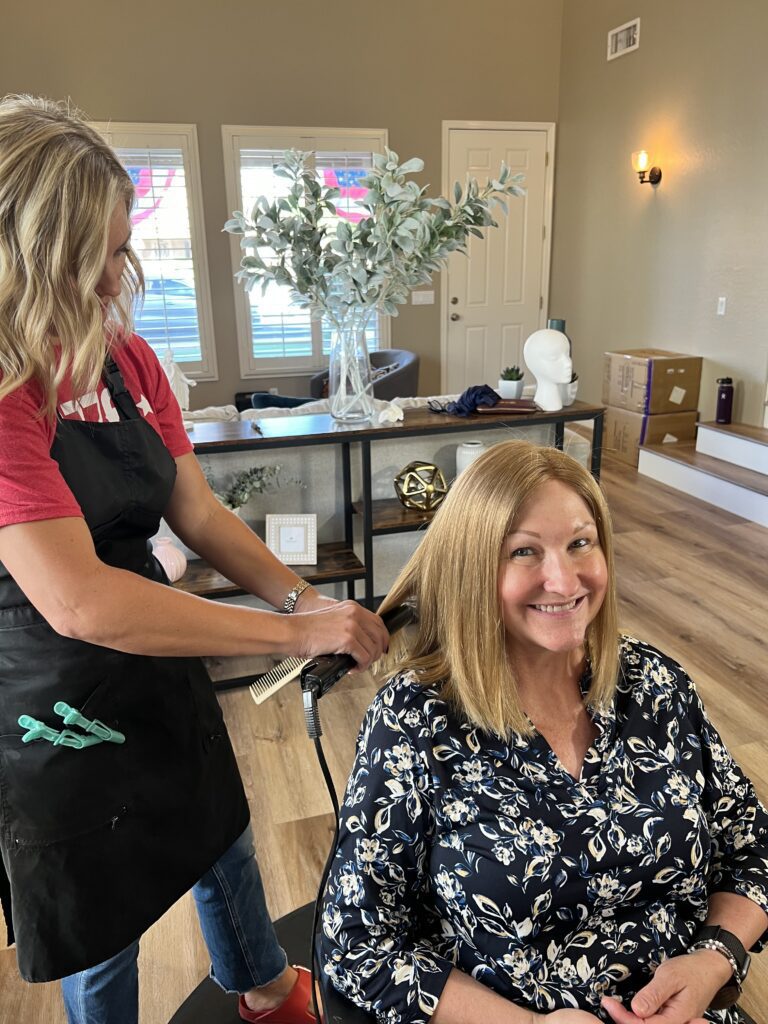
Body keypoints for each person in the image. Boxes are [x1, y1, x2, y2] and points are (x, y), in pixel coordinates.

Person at [0, 95, 389, 1024]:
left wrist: (305, 602)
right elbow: (81, 604)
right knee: (108, 911)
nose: (117, 272)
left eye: (124, 243)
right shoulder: (8, 388)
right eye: (99, 249)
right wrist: (286, 627)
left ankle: (260, 985)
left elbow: (198, 512)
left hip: (154, 640)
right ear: (34, 246)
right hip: (57, 695)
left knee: (217, 826)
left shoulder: (126, 361)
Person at [320, 439, 768, 1024]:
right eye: (524, 552)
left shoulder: (654, 683)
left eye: (580, 543)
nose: (563, 580)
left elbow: (751, 844)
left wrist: (713, 961)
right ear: (473, 568)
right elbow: (355, 941)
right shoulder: (415, 720)